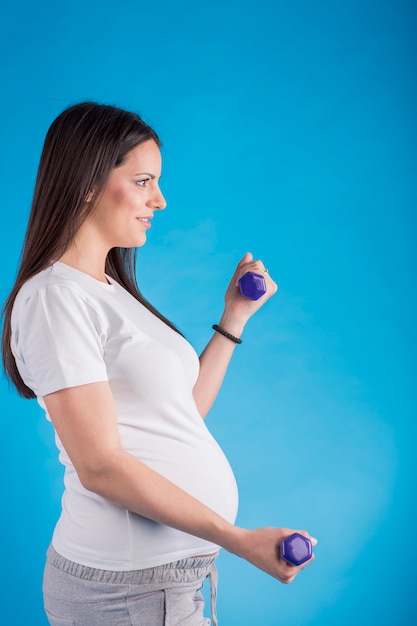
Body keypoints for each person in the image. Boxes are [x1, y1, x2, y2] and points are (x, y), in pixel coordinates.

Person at [2, 102, 317, 626]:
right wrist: (237, 540)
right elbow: (99, 465)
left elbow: (180, 415)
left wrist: (233, 318)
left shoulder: (105, 289)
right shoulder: (54, 298)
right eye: (144, 181)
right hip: (125, 595)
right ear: (86, 182)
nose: (160, 200)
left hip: (165, 584)